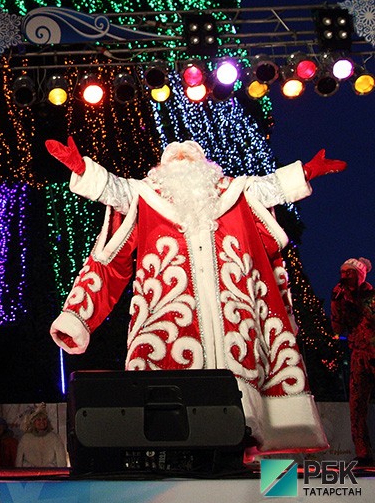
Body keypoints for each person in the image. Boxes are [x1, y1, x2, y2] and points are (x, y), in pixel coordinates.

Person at [45, 137, 345, 455]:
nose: (182, 157)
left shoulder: (235, 191)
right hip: (170, 327)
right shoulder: (144, 195)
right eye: (174, 154)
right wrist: (82, 169)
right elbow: (113, 194)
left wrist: (306, 171)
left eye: (190, 153)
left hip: (235, 322)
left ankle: (247, 459)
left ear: (206, 166)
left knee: (243, 418)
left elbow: (271, 187)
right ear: (160, 168)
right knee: (174, 425)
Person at [331, 257, 375, 466]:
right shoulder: (341, 296)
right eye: (343, 272)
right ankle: (363, 452)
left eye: (350, 273)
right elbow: (338, 326)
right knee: (356, 405)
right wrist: (337, 301)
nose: (345, 276)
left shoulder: (371, 295)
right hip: (358, 354)